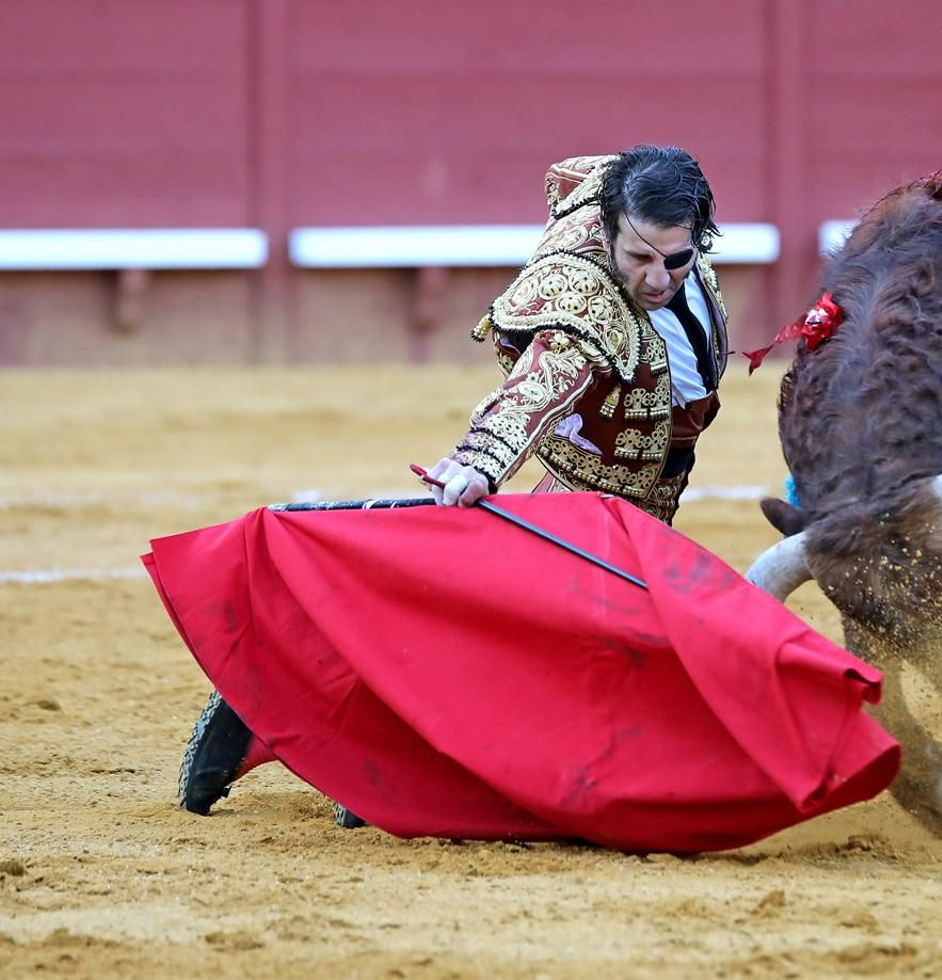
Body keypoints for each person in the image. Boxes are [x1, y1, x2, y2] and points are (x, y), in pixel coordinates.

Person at [177, 146, 733, 819]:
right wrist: (480, 460)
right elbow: (540, 383)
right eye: (638, 257)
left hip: (645, 486)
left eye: (675, 259)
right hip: (591, 494)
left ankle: (364, 743)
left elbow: (569, 172)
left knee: (536, 635)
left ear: (699, 235)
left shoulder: (636, 200)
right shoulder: (584, 295)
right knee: (531, 642)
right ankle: (318, 728)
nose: (657, 277)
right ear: (611, 228)